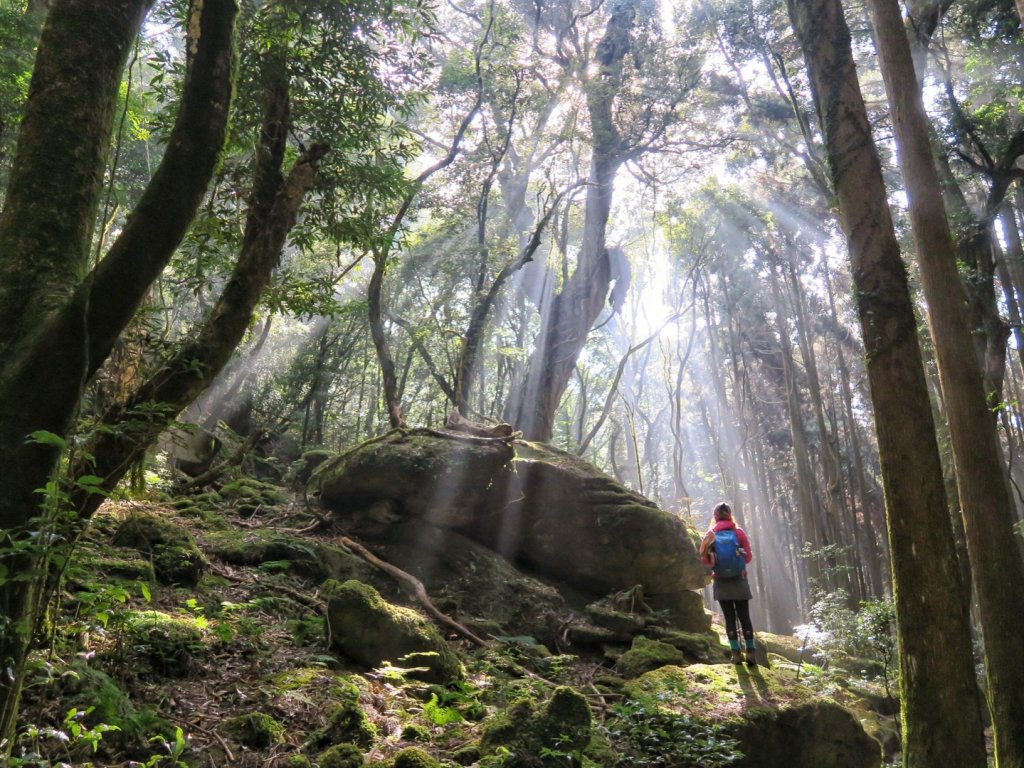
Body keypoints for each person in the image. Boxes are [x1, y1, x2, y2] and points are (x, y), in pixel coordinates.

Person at [700, 501, 757, 665]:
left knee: (729, 618)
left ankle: (736, 654)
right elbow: (748, 558)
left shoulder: (710, 535)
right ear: (730, 515)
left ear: (715, 516)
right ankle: (751, 653)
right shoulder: (739, 533)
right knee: (744, 616)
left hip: (721, 581)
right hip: (739, 579)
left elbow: (704, 559)